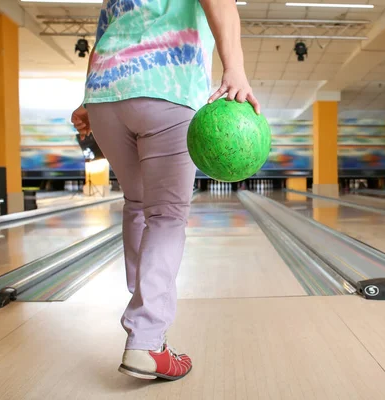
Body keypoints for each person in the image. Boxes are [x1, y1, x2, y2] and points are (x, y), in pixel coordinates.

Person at [71, 0, 259, 381]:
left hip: (105, 94)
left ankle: (145, 320)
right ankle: (147, 339)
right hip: (167, 88)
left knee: (138, 205)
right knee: (166, 216)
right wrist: (235, 69)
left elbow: (106, 32)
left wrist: (90, 100)